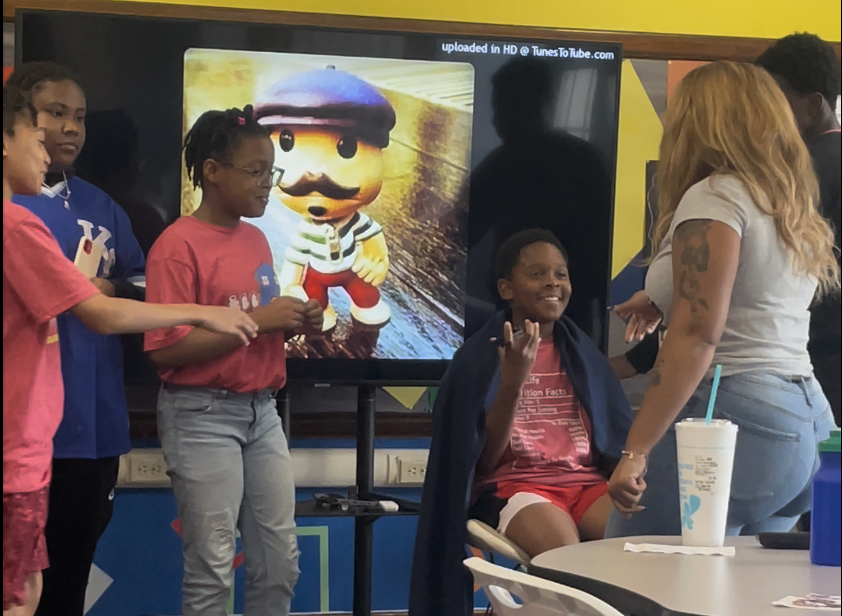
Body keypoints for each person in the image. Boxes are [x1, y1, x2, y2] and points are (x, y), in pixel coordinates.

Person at [3, 84, 257, 616]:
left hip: (76, 431)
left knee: (52, 583)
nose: (58, 138)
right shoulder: (18, 223)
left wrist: (116, 289)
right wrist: (200, 310)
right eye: (42, 124)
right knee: (21, 596)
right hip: (21, 448)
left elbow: (125, 290)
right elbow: (100, 313)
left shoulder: (105, 207)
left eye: (79, 117)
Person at [604, 62, 839, 539]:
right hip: (805, 421)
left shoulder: (715, 196)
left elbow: (697, 333)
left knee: (629, 573)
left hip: (731, 412)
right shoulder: (784, 201)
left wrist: (635, 450)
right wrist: (660, 296)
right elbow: (753, 291)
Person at [144, 106, 322, 616]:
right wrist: (260, 321)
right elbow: (164, 351)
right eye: (257, 171)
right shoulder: (176, 246)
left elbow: (255, 327)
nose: (269, 183)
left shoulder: (256, 238)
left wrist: (290, 320)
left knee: (279, 562)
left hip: (262, 412)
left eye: (273, 171)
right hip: (200, 416)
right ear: (212, 171)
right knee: (212, 567)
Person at [410, 229, 632, 616]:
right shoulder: (478, 359)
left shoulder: (583, 355)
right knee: (567, 558)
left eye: (561, 274)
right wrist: (512, 383)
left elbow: (612, 438)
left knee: (636, 542)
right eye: (537, 274)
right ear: (506, 288)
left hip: (585, 484)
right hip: (518, 487)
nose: (552, 282)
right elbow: (482, 462)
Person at [5, 62, 148, 616]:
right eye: (55, 114)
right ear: (21, 120)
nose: (69, 129)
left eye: (80, 117)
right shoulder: (14, 206)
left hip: (98, 421)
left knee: (70, 572)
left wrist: (105, 284)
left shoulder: (103, 205)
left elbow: (138, 278)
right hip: (28, 434)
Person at [756, 33, 841, 426]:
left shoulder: (803, 175)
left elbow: (769, 273)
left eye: (775, 99)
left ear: (813, 104)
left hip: (816, 359)